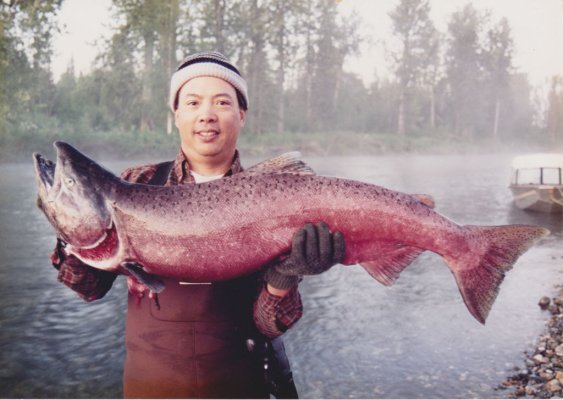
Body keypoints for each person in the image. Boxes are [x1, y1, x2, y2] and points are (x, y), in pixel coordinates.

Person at [49, 51, 345, 399]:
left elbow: (269, 324)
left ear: (242, 114)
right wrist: (72, 230)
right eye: (192, 102)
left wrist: (287, 275)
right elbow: (88, 287)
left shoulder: (276, 197)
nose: (206, 115)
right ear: (176, 114)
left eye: (222, 102)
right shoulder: (133, 184)